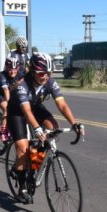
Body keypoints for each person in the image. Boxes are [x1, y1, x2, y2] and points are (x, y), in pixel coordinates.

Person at [7, 52, 84, 203]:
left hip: (34, 107)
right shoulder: (23, 85)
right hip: (17, 112)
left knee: (53, 127)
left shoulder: (50, 82)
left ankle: (34, 164)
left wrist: (74, 123)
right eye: (42, 73)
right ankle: (22, 186)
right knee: (23, 147)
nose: (45, 76)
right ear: (33, 70)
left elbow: (62, 104)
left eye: (48, 73)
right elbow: (26, 111)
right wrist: (36, 128)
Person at [0, 56, 23, 141]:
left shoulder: (20, 74)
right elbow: (5, 90)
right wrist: (9, 103)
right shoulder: (2, 75)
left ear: (18, 68)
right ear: (6, 67)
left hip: (11, 92)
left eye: (15, 69)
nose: (12, 71)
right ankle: (3, 132)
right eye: (10, 69)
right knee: (7, 109)